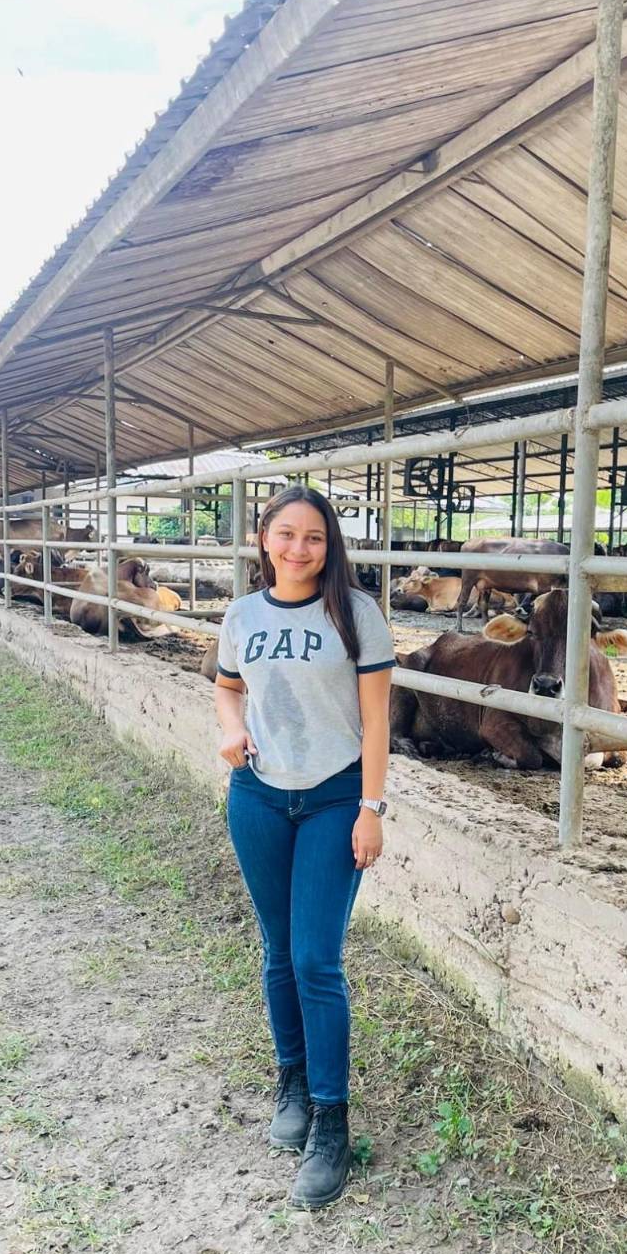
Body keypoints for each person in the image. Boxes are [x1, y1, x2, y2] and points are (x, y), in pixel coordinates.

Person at [213, 485, 394, 1209]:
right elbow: (229, 688)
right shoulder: (240, 615)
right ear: (263, 540)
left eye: (313, 537)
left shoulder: (357, 614)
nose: (298, 548)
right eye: (285, 534)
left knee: (316, 959)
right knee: (276, 950)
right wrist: (229, 726)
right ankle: (291, 1081)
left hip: (332, 796)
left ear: (330, 545)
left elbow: (377, 721)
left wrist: (371, 809)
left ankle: (331, 1123)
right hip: (257, 796)